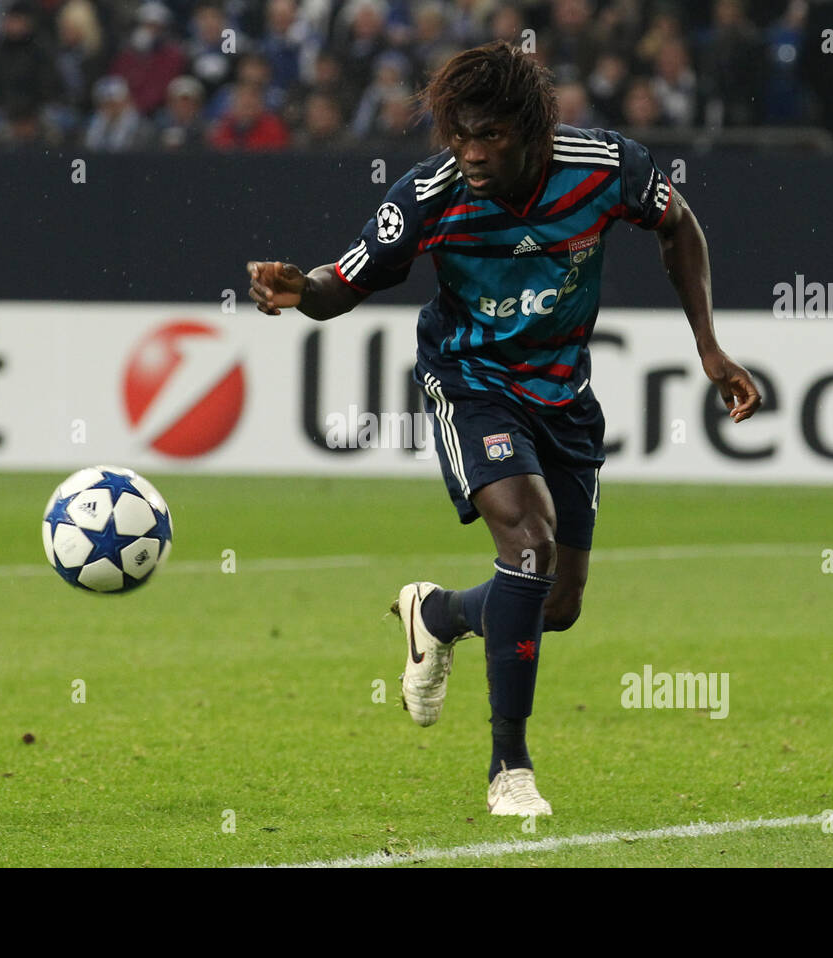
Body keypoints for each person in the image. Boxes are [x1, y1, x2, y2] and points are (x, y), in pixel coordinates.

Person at [246, 41, 760, 816]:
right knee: (529, 546)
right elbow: (341, 282)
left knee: (555, 603)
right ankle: (508, 768)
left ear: (533, 130)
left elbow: (678, 225)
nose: (474, 154)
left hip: (564, 396)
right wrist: (300, 290)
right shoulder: (431, 195)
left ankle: (438, 613)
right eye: (460, 135)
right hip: (471, 385)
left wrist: (709, 347)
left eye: (490, 136)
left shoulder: (606, 167)